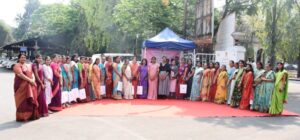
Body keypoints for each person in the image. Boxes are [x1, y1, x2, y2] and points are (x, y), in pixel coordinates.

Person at [13, 53, 40, 121]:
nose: (23, 59)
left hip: (29, 85)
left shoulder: (28, 65)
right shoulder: (17, 65)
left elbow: (32, 73)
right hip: (20, 87)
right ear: (19, 58)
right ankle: (22, 117)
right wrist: (30, 80)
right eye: (22, 57)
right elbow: (20, 74)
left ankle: (30, 116)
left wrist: (32, 81)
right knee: (21, 102)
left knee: (29, 101)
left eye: (24, 57)